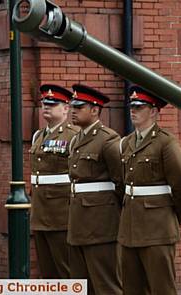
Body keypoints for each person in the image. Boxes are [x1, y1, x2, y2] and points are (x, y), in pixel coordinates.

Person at [118, 86, 181, 295]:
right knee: (131, 288)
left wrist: (170, 219)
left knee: (162, 288)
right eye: (132, 106)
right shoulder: (127, 143)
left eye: (140, 107)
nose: (133, 110)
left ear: (153, 111)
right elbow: (123, 186)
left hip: (158, 229)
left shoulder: (165, 142)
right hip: (130, 228)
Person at [67, 84, 123, 294]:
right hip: (78, 223)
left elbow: (122, 182)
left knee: (106, 284)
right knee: (80, 286)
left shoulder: (108, 139)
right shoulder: (75, 140)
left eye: (79, 107)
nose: (73, 110)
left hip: (101, 225)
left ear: (95, 109)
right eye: (72, 106)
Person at [29, 84, 78, 279]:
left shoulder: (73, 136)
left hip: (61, 215)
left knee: (66, 269)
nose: (46, 107)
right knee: (48, 272)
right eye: (44, 103)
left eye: (53, 103)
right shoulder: (38, 136)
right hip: (40, 212)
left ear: (66, 108)